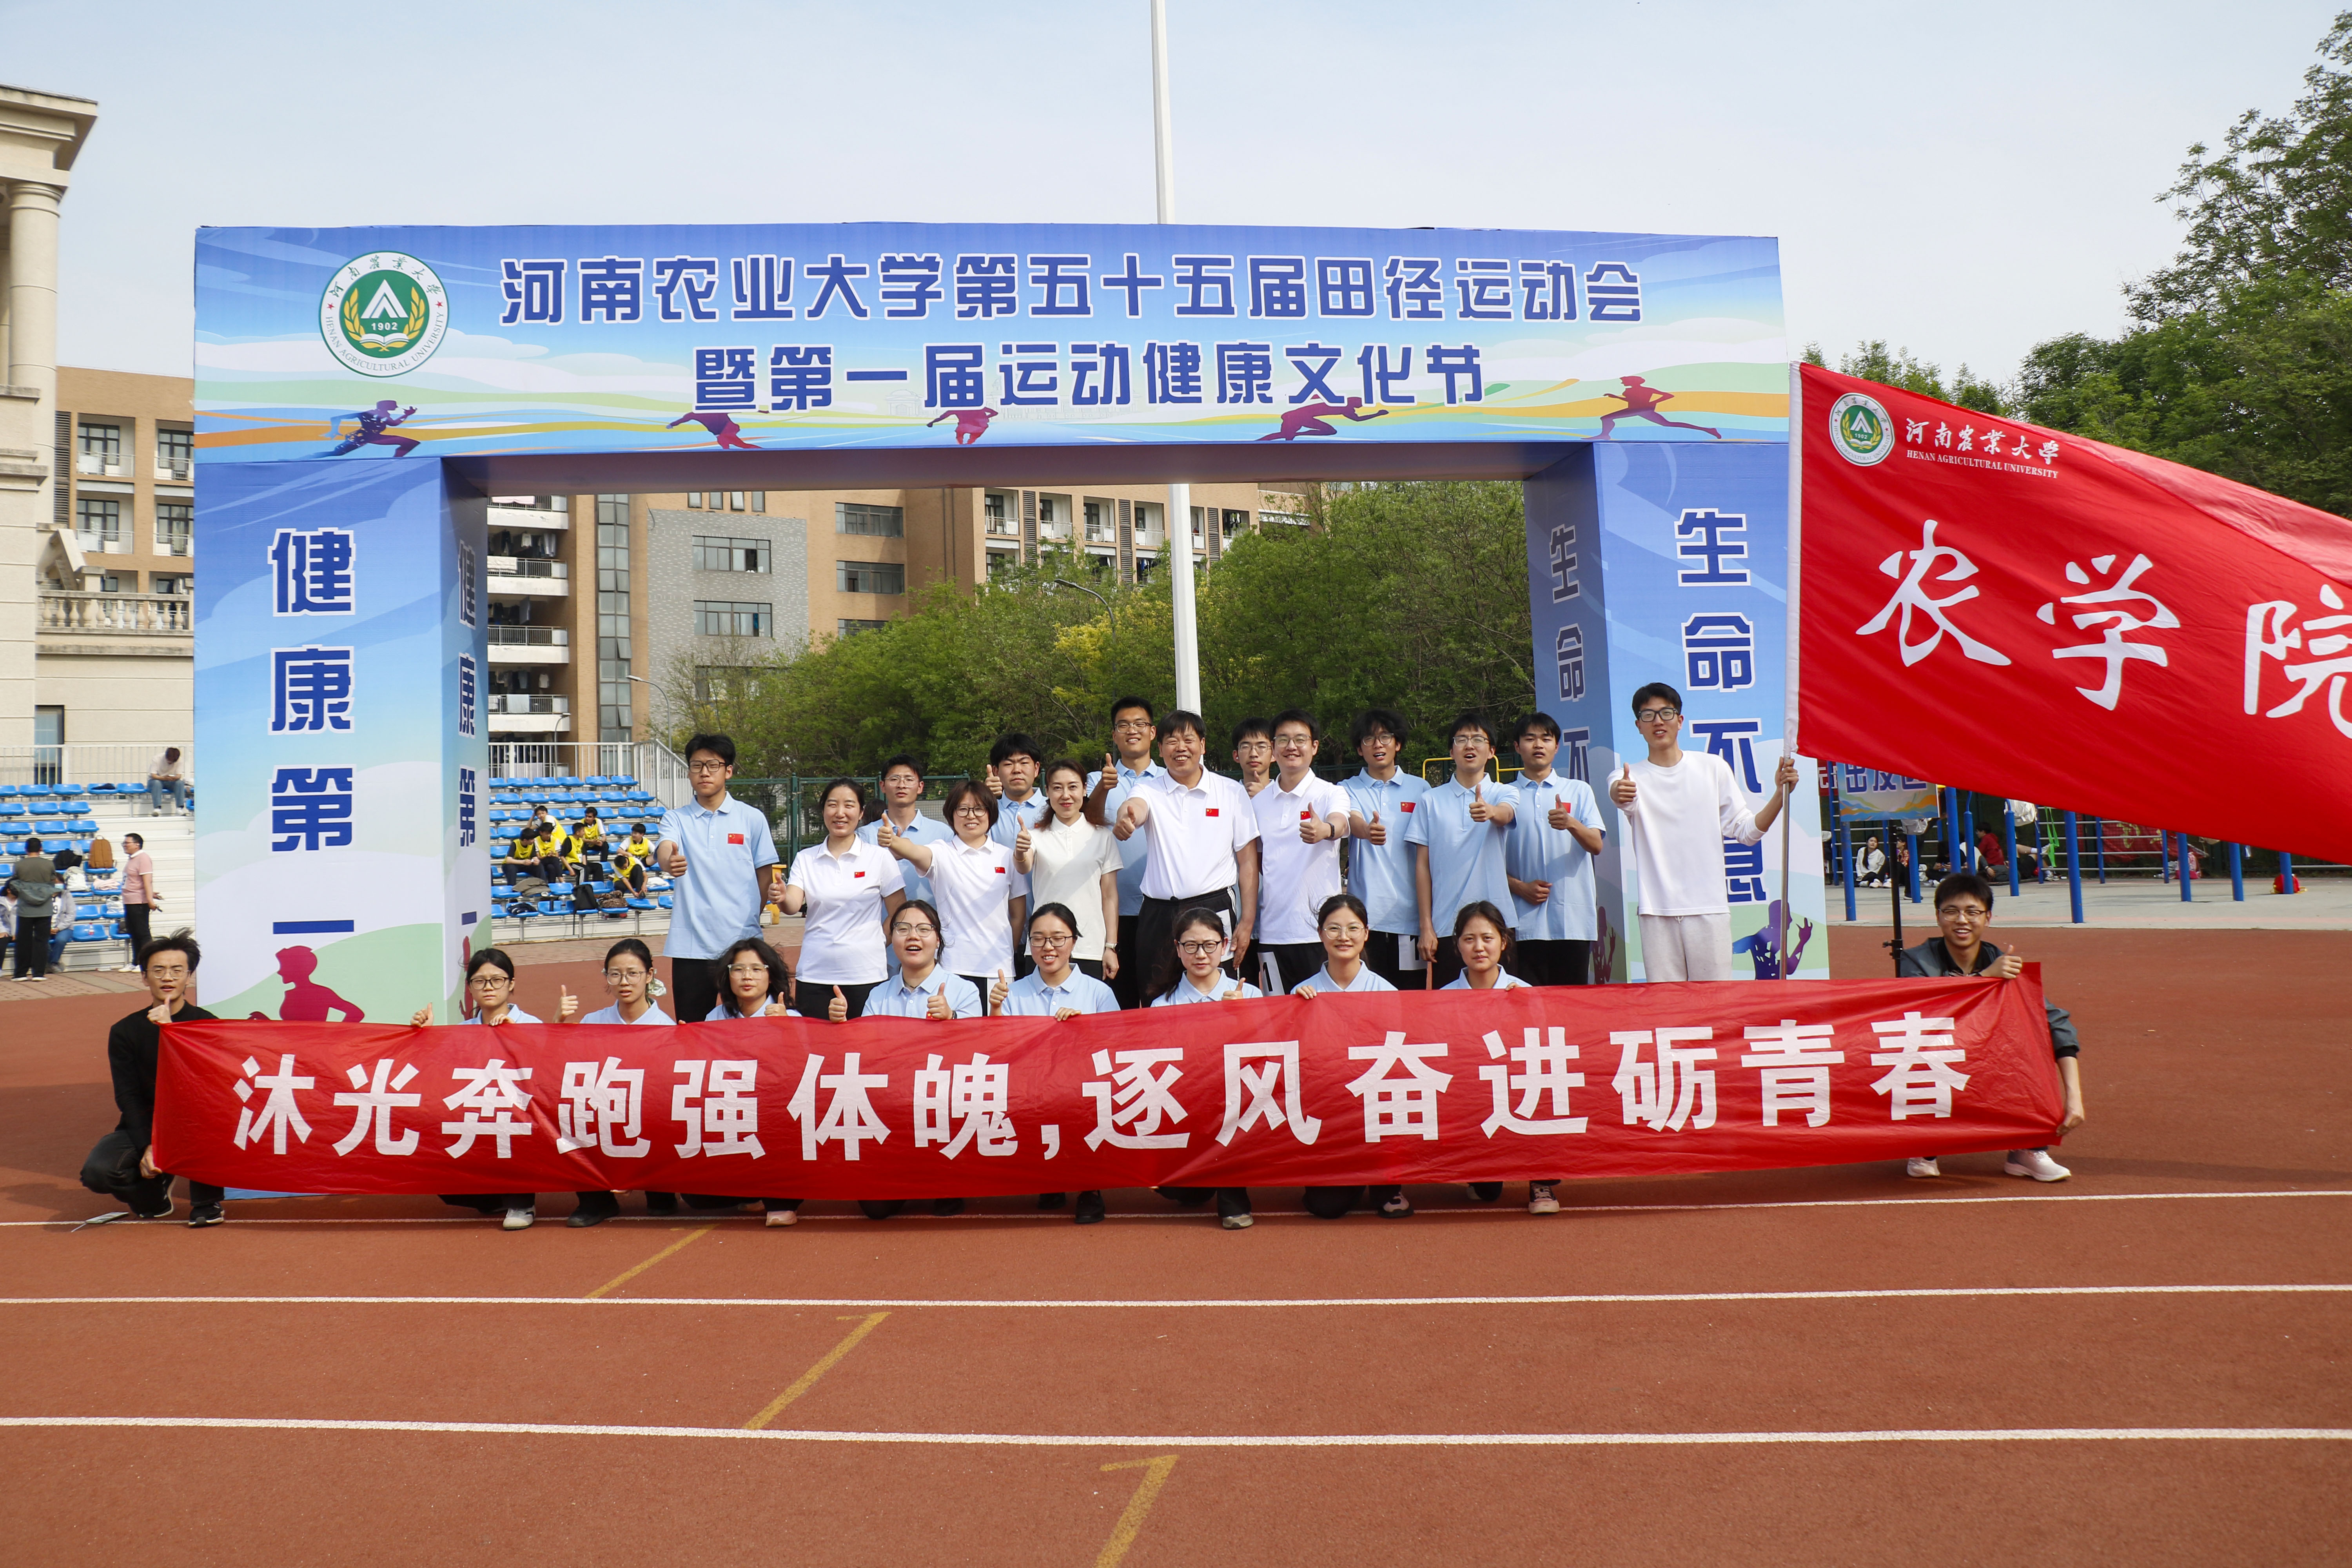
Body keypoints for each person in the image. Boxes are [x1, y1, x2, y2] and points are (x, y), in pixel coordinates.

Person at [1898, 873, 2085, 1182]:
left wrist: (2074, 1097)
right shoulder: (1915, 960)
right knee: (1913, 1053)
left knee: (2028, 1041)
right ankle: (1925, 1146)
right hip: (1941, 1055)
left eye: (1972, 912)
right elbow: (1929, 1009)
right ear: (1938, 916)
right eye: (1951, 911)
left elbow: (2055, 1023)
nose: (1962, 920)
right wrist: (1985, 979)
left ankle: (2028, 1148)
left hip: (1986, 1058)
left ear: (1988, 918)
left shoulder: (2002, 961)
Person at [1607, 682, 1797, 982]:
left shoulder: (1713, 768)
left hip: (1709, 909)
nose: (1658, 721)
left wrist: (1779, 795)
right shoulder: (1628, 777)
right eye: (1648, 715)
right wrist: (1620, 792)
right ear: (1638, 726)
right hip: (1657, 911)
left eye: (1666, 713)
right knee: (1667, 1003)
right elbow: (1621, 795)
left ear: (1680, 720)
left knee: (1716, 1002)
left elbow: (1747, 832)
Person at [414, 946, 576, 1230]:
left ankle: (522, 1202)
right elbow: (440, 1075)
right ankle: (495, 1198)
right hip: (477, 1115)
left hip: (520, 1117)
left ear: (511, 984)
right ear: (470, 988)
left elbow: (550, 1070)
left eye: (497, 980)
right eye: (480, 981)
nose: (489, 987)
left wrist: (527, 1033)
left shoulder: (530, 1024)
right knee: (442, 1177)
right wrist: (425, 1038)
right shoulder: (462, 1031)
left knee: (512, 1123)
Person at [1113, 710, 1261, 1002]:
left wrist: (1247, 922)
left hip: (1214, 908)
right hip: (1159, 914)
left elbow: (1248, 862)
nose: (1181, 748)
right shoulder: (1148, 789)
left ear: (1202, 745)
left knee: (1220, 996)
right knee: (1156, 995)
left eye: (1188, 740)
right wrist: (1127, 818)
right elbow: (1135, 808)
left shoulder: (1230, 792)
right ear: (1160, 749)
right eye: (1172, 741)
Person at [1131, 905, 1260, 1230]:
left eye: (1209, 945)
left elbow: (1268, 1056)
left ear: (1225, 945)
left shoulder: (1250, 995)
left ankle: (1233, 1197)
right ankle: (1200, 1180)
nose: (1201, 954)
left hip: (1236, 1102)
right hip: (1185, 1104)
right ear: (1178, 949)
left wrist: (1242, 1018)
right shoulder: (1163, 1003)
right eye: (1191, 946)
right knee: (1180, 1190)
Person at [856, 900, 983, 1220]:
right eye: (903, 929)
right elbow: (867, 1055)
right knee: (875, 1208)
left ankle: (947, 1177)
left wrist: (952, 1020)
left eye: (924, 929)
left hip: (943, 1104)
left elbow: (979, 1053)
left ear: (938, 939)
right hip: (894, 1106)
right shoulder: (878, 996)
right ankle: (909, 1174)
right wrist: (842, 1027)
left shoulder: (964, 991)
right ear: (892, 938)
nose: (913, 936)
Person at [83, 931, 222, 1224]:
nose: (167, 977)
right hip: (149, 1120)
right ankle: (154, 1193)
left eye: (177, 970)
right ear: (145, 977)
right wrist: (149, 1143)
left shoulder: (207, 1024)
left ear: (189, 977)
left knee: (211, 1122)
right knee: (98, 1173)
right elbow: (128, 1095)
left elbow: (208, 1085)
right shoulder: (125, 1031)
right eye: (158, 970)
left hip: (197, 1121)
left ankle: (207, 1201)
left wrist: (172, 1033)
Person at [1442, 900, 1563, 1215]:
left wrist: (1521, 1010)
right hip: (1473, 1096)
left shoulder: (1525, 993)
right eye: (1469, 939)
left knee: (1546, 1090)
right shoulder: (1443, 999)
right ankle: (1482, 1170)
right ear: (1457, 945)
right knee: (1487, 1192)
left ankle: (1541, 1181)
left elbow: (1546, 1051)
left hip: (1520, 1089)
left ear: (1503, 942)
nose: (1479, 948)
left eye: (1488, 938)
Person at [655, 733, 783, 1030]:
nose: (704, 773)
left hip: (741, 948)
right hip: (691, 948)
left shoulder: (752, 818)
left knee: (749, 1030)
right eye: (697, 765)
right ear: (689, 772)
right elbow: (665, 849)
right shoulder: (676, 819)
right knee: (691, 1031)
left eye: (713, 765)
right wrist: (669, 862)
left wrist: (750, 917)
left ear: (729, 771)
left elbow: (764, 874)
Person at [1294, 893, 1405, 1220]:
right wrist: (1296, 1010)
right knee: (1326, 1207)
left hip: (1376, 1102)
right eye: (1334, 929)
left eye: (1353, 928)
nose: (1344, 937)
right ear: (1320, 934)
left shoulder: (1386, 992)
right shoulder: (1303, 993)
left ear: (1366, 934)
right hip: (1329, 1109)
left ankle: (1388, 1185)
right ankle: (1351, 1179)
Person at [686, 937, 803, 1228]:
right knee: (695, 1197)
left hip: (775, 1120)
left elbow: (803, 1071)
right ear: (728, 976)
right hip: (733, 1117)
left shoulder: (790, 1016)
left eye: (756, 969)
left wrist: (787, 1029)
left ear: (770, 976)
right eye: (738, 969)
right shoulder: (716, 1018)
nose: (747, 976)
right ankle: (753, 1191)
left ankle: (782, 1200)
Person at [881, 778, 1023, 1001]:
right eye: (963, 809)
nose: (971, 816)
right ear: (951, 814)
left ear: (991, 813)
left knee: (996, 1024)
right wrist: (894, 841)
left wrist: (1007, 951)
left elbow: (1018, 915)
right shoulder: (941, 852)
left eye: (979, 809)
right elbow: (914, 850)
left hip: (997, 970)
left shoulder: (1007, 856)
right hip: (952, 967)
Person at [567, 938, 676, 1228]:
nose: (624, 982)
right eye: (615, 974)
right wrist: (559, 1024)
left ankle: (660, 1189)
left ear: (649, 976)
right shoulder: (593, 1022)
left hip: (648, 1116)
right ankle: (595, 1201)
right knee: (572, 1113)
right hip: (604, 1112)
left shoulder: (666, 1028)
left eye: (633, 974)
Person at [778, 778, 906, 1021]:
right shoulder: (806, 858)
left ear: (861, 813)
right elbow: (792, 904)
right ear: (823, 810)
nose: (840, 813)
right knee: (816, 1042)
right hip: (815, 974)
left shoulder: (879, 857)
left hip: (866, 974)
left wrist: (880, 940)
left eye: (849, 805)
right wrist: (782, 897)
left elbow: (900, 911)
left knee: (867, 1042)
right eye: (832, 805)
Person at [1408, 713, 1520, 988]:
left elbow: (1506, 814)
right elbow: (1422, 866)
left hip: (1497, 926)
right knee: (1451, 1008)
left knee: (1502, 1005)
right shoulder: (1430, 801)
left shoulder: (1504, 793)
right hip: (1447, 927)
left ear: (1491, 751)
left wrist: (1490, 811)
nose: (1470, 746)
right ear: (1451, 751)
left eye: (1478, 739)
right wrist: (1426, 926)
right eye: (1462, 740)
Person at [1249, 709, 1352, 996]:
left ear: (1314, 746)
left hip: (1319, 933)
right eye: (1283, 740)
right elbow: (1257, 861)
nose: (1291, 747)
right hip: (1273, 932)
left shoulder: (1331, 793)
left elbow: (1341, 823)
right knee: (1277, 1014)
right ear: (1273, 748)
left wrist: (1326, 830)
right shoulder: (1259, 803)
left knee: (1323, 1014)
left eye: (1300, 740)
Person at [1504, 712, 1606, 987]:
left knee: (1572, 1003)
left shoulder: (1579, 790)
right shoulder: (1505, 796)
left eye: (1546, 739)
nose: (1538, 745)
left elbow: (1596, 845)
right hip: (1522, 923)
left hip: (1572, 921)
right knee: (1526, 1003)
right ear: (1517, 747)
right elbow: (1488, 862)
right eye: (1530, 739)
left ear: (1557, 746)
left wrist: (1571, 823)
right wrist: (1519, 887)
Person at [1086, 696, 1166, 1010]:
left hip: (1159, 910)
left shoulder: (1169, 780)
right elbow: (1086, 822)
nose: (1132, 730)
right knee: (1118, 1005)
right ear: (1114, 734)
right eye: (1124, 725)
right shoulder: (1096, 780)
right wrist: (1103, 789)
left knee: (1160, 1000)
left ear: (1153, 732)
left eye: (1140, 724)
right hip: (1112, 914)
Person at [1342, 708, 1430, 987]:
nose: (1377, 745)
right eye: (1369, 739)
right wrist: (1366, 831)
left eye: (1385, 737)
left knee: (1411, 999)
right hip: (1366, 920)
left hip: (1410, 920)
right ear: (1360, 749)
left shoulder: (1421, 789)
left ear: (1398, 744)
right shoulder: (1347, 788)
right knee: (1369, 999)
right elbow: (1352, 819)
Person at [1015, 760, 1122, 982]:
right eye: (1057, 788)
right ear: (1047, 792)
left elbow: (1110, 896)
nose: (1066, 795)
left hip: (1090, 948)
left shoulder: (1102, 836)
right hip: (1044, 947)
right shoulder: (1035, 836)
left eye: (1073, 787)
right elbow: (1024, 866)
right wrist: (1020, 852)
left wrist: (1111, 946)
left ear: (1085, 790)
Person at [857, 755, 953, 957]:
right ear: (883, 786)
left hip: (929, 942)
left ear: (920, 787)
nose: (902, 785)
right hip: (879, 943)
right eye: (894, 779)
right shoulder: (865, 836)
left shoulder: (943, 834)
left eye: (909, 779)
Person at [984, 734, 1048, 974]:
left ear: (1037, 769)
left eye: (1024, 762)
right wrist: (983, 798)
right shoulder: (983, 814)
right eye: (1009, 764)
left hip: (1047, 932)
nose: (1017, 770)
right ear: (996, 771)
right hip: (996, 933)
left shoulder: (1054, 810)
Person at [9, 836, 56, 980]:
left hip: (25, 908)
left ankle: (21, 973)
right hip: (45, 908)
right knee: (42, 941)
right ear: (41, 849)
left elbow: (15, 884)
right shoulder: (49, 865)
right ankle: (39, 973)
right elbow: (53, 884)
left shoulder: (19, 865)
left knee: (24, 941)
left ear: (26, 849)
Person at [118, 831, 158, 971]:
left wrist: (150, 900)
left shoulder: (143, 859)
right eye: (124, 843)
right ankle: (136, 962)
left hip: (139, 902)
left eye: (127, 843)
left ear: (137, 845)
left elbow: (147, 881)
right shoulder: (132, 859)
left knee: (143, 933)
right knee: (134, 932)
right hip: (129, 901)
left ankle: (147, 963)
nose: (125, 846)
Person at [1230, 716, 1274, 795]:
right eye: (1246, 747)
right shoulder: (1227, 796)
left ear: (1274, 754)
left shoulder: (1286, 795)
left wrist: (1264, 797)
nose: (1254, 754)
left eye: (1262, 747)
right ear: (1236, 756)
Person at [147, 748, 191, 816]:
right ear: (166, 757)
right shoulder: (157, 759)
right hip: (155, 781)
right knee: (157, 783)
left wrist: (174, 778)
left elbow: (179, 776)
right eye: (169, 761)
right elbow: (153, 776)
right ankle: (157, 808)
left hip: (169, 781)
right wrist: (164, 778)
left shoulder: (180, 760)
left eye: (173, 762)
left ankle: (180, 808)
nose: (171, 763)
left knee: (180, 783)